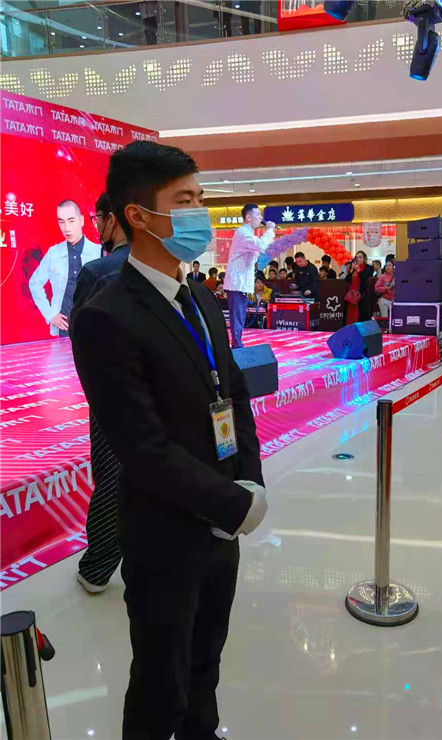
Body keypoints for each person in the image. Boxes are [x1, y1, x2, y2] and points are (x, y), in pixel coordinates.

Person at [71, 141, 268, 739]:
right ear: (138, 215)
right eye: (184, 201)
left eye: (200, 199)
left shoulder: (201, 296)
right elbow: (142, 448)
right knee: (161, 683)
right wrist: (232, 504)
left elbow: (233, 392)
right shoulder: (106, 317)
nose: (199, 213)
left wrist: (249, 479)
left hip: (222, 528)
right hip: (164, 535)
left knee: (207, 665)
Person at [69, 193, 129, 592]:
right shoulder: (169, 270)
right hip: (169, 392)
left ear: (112, 219)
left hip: (115, 395)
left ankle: (97, 567)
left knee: (112, 477)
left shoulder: (98, 272)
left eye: (97, 218)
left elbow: (82, 341)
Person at [29, 199, 100, 337]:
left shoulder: (98, 252)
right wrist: (50, 314)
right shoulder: (53, 253)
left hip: (93, 325)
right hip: (65, 328)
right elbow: (34, 283)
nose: (66, 228)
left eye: (71, 221)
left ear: (81, 221)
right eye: (61, 222)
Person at [224, 203, 275, 348]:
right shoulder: (242, 233)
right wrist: (269, 230)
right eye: (258, 214)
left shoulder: (249, 234)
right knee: (237, 316)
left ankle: (237, 344)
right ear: (248, 217)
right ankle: (237, 345)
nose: (260, 217)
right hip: (236, 283)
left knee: (240, 316)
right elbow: (260, 245)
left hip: (242, 283)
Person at [344, 250, 373, 324]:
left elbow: (364, 278)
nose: (358, 259)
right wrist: (351, 270)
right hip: (351, 295)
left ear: (364, 259)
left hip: (361, 295)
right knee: (350, 315)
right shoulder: (353, 267)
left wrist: (358, 270)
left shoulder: (368, 268)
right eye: (357, 258)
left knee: (360, 316)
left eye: (360, 257)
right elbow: (347, 280)